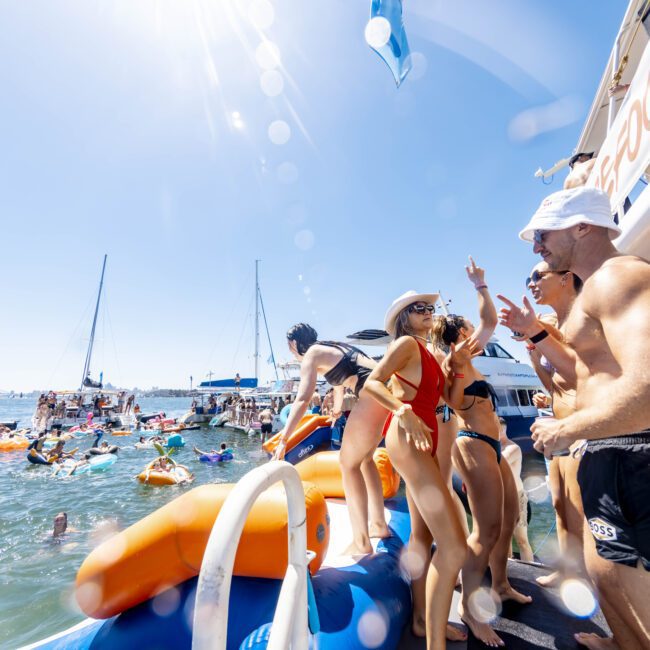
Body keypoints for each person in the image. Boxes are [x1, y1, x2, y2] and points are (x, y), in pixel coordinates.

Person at [498, 186, 650, 650]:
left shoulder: (618, 277)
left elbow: (646, 385)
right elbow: (583, 372)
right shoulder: (595, 291)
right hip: (609, 448)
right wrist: (535, 333)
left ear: (582, 227)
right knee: (607, 573)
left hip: (629, 450)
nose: (538, 246)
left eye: (543, 235)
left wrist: (568, 427)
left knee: (629, 582)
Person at [364, 290, 475, 648]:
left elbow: (452, 402)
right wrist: (402, 410)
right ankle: (434, 641)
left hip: (424, 440)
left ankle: (421, 621)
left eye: (430, 308)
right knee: (455, 546)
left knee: (423, 538)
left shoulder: (431, 352)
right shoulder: (406, 345)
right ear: (404, 317)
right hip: (408, 436)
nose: (428, 312)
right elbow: (372, 382)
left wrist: (457, 367)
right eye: (418, 308)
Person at [432, 274, 531, 648]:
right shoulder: (451, 360)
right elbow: (454, 402)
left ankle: (501, 585)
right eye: (469, 329)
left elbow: (490, 320)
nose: (478, 332)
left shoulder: (470, 352)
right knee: (485, 529)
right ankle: (471, 610)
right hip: (471, 443)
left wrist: (480, 286)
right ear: (457, 334)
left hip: (492, 444)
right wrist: (456, 367)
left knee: (508, 521)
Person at [274, 323, 389, 555]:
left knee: (348, 464)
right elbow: (340, 386)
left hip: (371, 394)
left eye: (289, 346)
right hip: (385, 393)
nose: (290, 351)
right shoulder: (332, 348)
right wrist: (336, 412)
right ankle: (378, 524)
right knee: (365, 460)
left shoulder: (312, 355)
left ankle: (361, 542)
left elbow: (302, 399)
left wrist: (284, 439)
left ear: (295, 343)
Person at [524, 260, 586, 587]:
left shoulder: (566, 324)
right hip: (557, 428)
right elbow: (554, 385)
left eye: (537, 277)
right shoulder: (548, 328)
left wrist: (539, 330)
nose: (531, 284)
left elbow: (580, 376)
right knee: (560, 506)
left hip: (577, 430)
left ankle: (589, 576)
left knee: (580, 513)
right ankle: (567, 569)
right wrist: (534, 358)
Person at [498, 417, 533, 563]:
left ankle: (529, 569)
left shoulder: (512, 448)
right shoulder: (495, 448)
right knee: (502, 539)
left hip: (516, 498)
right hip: (500, 498)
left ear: (503, 429)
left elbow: (497, 463)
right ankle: (508, 568)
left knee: (522, 540)